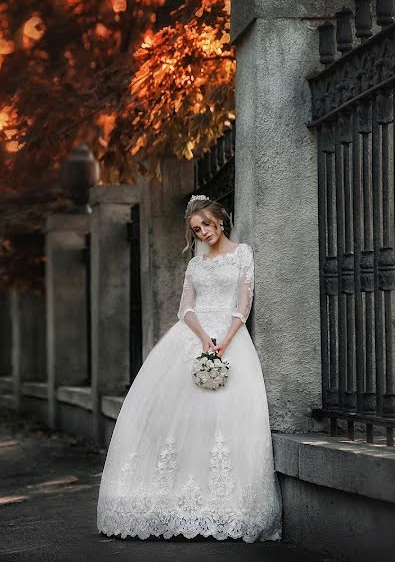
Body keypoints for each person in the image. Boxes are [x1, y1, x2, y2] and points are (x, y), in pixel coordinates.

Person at [96, 195, 282, 541]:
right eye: (196, 230)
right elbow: (186, 307)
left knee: (225, 416)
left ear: (220, 221)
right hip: (193, 338)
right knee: (178, 420)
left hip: (231, 338)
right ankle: (173, 500)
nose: (203, 233)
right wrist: (201, 337)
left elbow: (245, 301)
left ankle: (226, 504)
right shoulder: (196, 265)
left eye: (207, 225)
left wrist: (224, 340)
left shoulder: (243, 254)